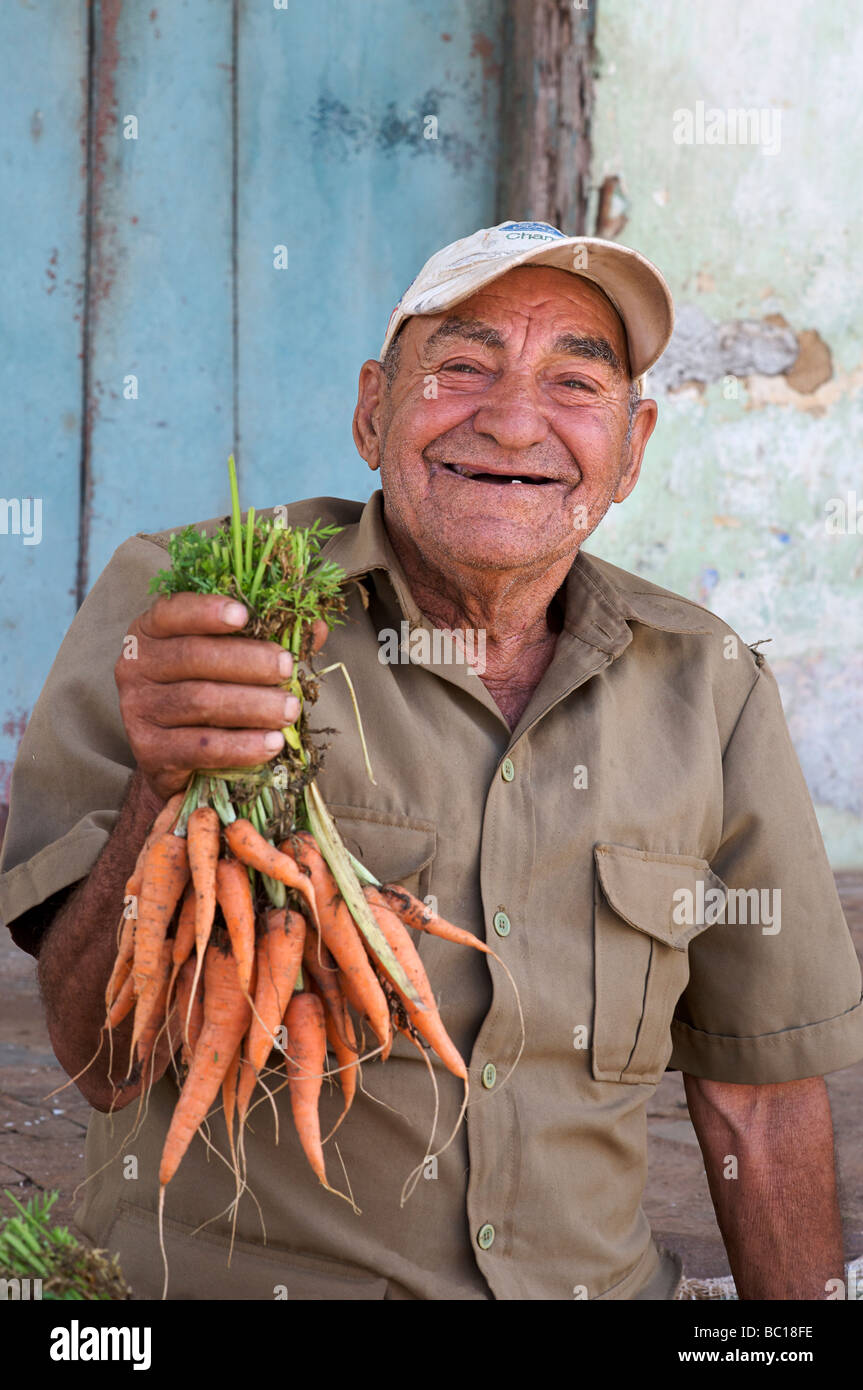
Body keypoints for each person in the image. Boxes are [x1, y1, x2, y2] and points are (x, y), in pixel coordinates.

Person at [1, 220, 861, 1301]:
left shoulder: (708, 684)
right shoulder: (197, 615)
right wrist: (161, 795)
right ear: (373, 410)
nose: (509, 421)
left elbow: (761, 1097)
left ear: (631, 448)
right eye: (460, 367)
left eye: (573, 383)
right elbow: (97, 1055)